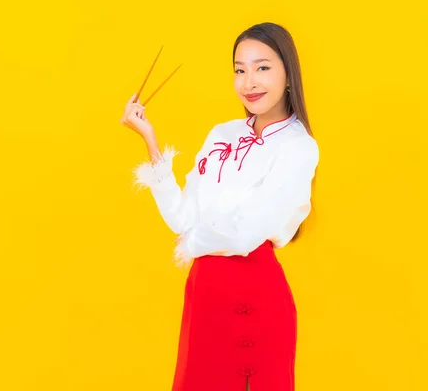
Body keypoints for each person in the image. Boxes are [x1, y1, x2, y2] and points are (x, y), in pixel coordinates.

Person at [120, 22, 319, 391]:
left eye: (262, 68)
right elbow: (182, 219)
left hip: (255, 299)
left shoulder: (298, 147)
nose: (249, 82)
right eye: (240, 70)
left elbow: (245, 235)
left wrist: (192, 243)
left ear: (288, 74)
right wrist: (149, 139)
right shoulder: (222, 134)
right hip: (204, 298)